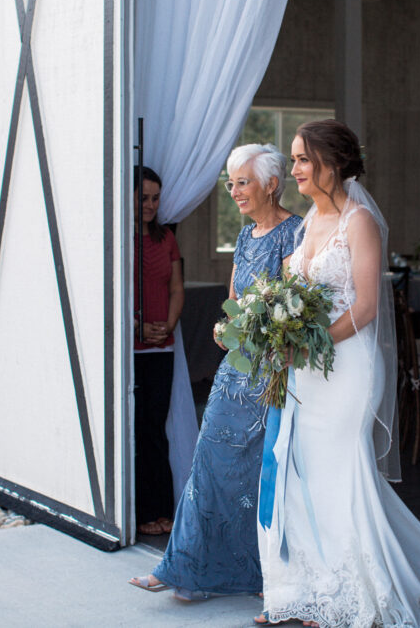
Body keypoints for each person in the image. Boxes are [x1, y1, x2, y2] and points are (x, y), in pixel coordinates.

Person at [256, 121, 420, 627]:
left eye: (301, 159)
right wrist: (280, 334)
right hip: (306, 372)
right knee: (307, 476)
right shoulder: (306, 223)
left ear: (331, 164)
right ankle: (314, 591)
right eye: (293, 159)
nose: (293, 168)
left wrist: (307, 344)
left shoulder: (357, 221)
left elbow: (363, 307)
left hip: (349, 368)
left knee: (341, 473)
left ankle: (352, 595)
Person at [129, 144, 301, 599]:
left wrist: (253, 327)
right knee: (207, 464)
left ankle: (258, 572)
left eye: (241, 182)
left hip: (271, 373)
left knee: (259, 475)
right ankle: (183, 566)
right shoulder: (246, 237)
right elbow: (235, 299)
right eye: (230, 183)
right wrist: (225, 326)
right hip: (234, 370)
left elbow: (290, 309)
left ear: (270, 184)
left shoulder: (295, 234)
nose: (234, 191)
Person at [133, 166, 184, 536]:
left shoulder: (166, 238)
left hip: (161, 348)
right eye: (143, 198)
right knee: (133, 429)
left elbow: (177, 289)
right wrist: (134, 327)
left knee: (155, 429)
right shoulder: (117, 238)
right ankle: (136, 510)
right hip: (127, 350)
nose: (151, 205)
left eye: (155, 198)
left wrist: (167, 325)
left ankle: (161, 508)